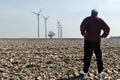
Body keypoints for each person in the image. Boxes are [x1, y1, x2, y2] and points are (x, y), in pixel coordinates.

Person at [80, 9, 110, 78]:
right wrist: (103, 36)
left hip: (88, 40)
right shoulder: (100, 20)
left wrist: (83, 34)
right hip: (97, 40)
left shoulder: (87, 19)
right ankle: (100, 72)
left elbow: (82, 27)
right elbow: (107, 28)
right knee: (99, 56)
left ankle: (85, 71)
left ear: (91, 13)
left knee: (87, 56)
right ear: (97, 14)